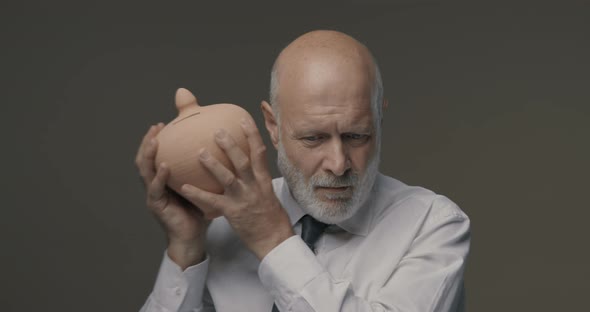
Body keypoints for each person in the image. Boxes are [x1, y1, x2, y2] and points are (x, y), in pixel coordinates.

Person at [136, 30, 470, 312]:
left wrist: (272, 240)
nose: (338, 164)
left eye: (357, 136)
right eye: (313, 138)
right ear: (273, 126)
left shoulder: (433, 225)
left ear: (379, 118)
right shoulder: (223, 225)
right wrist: (186, 249)